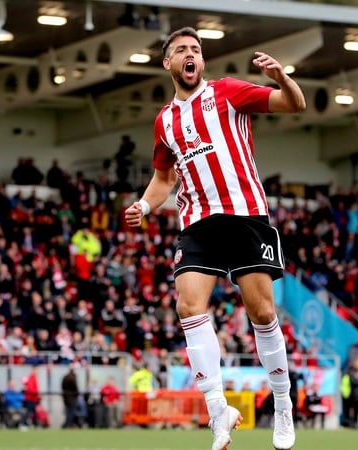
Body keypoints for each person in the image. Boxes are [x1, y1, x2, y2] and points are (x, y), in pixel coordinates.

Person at [124, 26, 305, 450]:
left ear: (202, 62)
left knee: (261, 313)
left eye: (196, 50)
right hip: (197, 221)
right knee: (188, 305)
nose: (190, 55)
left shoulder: (227, 92)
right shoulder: (165, 121)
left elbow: (292, 105)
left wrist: (282, 77)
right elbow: (164, 178)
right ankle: (217, 410)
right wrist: (146, 207)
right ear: (167, 63)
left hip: (245, 215)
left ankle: (282, 403)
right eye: (181, 50)